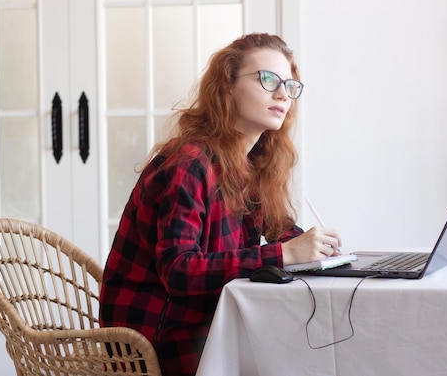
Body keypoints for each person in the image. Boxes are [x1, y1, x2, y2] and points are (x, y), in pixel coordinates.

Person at [99, 32, 341, 376]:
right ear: (227, 86)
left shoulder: (251, 164)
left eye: (289, 84)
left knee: (307, 351)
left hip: (208, 325)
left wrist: (319, 250)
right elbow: (179, 270)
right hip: (155, 340)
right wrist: (285, 255)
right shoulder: (189, 163)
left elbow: (282, 232)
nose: (282, 94)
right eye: (268, 79)